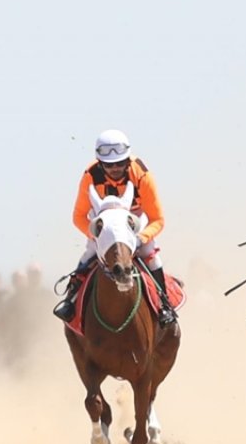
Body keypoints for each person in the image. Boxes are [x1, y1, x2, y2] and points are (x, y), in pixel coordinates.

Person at [53, 129, 177, 327]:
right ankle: (70, 302)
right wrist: (95, 236)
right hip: (103, 222)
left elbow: (158, 219)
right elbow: (78, 217)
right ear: (100, 164)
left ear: (127, 160)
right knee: (88, 254)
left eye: (120, 163)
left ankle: (164, 305)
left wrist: (141, 238)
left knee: (151, 255)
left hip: (134, 221)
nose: (115, 169)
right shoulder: (89, 175)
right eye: (109, 165)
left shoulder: (142, 174)